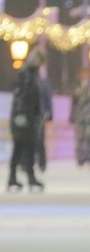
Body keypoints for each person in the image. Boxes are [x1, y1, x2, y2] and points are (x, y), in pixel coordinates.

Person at [7, 49, 46, 192]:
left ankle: (25, 177)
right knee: (22, 147)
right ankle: (18, 177)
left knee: (26, 148)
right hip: (23, 118)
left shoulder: (32, 75)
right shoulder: (25, 75)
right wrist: (20, 115)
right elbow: (21, 96)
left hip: (28, 118)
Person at [35, 74, 53, 172]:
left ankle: (42, 162)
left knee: (40, 140)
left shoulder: (43, 83)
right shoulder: (26, 81)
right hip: (30, 114)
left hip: (39, 115)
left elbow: (48, 99)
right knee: (27, 141)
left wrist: (49, 114)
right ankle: (27, 163)